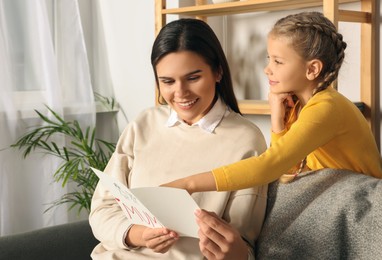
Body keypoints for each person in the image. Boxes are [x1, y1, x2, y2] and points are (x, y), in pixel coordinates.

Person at [162, 11, 382, 249]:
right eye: (269, 59)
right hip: (330, 198)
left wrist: (189, 184)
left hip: (361, 204)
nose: (267, 69)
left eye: (277, 61)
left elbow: (269, 166)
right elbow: (287, 171)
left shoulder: (327, 107)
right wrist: (278, 122)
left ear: (312, 69)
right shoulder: (299, 104)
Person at [89, 18, 268, 260]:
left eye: (193, 78)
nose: (180, 93)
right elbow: (101, 210)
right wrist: (139, 234)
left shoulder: (246, 140)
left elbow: (243, 245)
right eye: (168, 82)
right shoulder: (143, 124)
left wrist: (232, 251)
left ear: (218, 71)